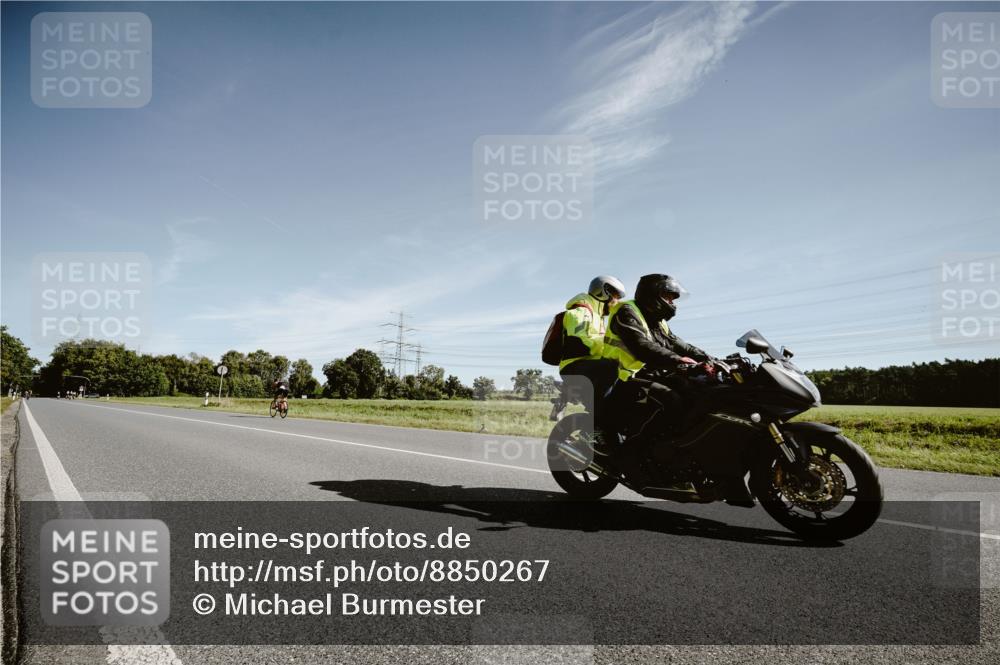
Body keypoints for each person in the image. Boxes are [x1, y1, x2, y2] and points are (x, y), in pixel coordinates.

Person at [604, 274, 753, 504]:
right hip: (626, 376)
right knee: (670, 400)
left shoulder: (658, 322)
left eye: (674, 298)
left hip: (654, 374)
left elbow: (681, 345)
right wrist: (679, 361)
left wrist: (711, 359)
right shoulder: (627, 311)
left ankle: (684, 458)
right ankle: (630, 454)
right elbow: (642, 346)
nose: (672, 302)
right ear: (652, 296)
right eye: (668, 296)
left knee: (702, 394)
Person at [555, 275, 626, 424]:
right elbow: (580, 342)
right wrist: (615, 348)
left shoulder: (597, 316)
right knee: (611, 368)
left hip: (591, 365)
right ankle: (597, 424)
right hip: (574, 366)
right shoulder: (581, 311)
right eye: (615, 297)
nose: (617, 302)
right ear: (603, 292)